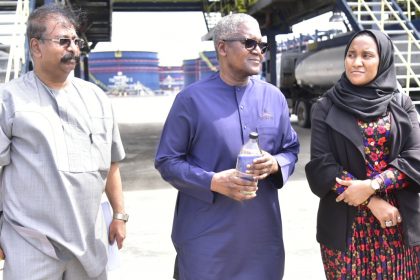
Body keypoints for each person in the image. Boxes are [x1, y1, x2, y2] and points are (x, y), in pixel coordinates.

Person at [155, 13, 299, 280]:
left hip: (262, 240)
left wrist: (276, 163)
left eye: (261, 45)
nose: (258, 51)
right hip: (206, 241)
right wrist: (212, 181)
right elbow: (167, 161)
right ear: (222, 47)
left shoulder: (274, 98)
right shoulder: (191, 100)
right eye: (249, 43)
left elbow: (290, 149)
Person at [0, 3, 127, 279]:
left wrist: (119, 215)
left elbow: (111, 163)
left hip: (89, 242)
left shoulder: (97, 98)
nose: (73, 48)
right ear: (36, 47)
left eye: (76, 41)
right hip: (30, 242)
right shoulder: (8, 99)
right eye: (63, 41)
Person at [305, 29, 420, 279]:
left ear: (384, 60)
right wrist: (371, 200)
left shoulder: (401, 103)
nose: (356, 62)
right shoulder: (326, 105)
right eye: (351, 55)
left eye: (367, 55)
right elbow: (322, 166)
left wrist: (373, 185)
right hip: (346, 229)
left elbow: (416, 157)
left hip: (396, 224)